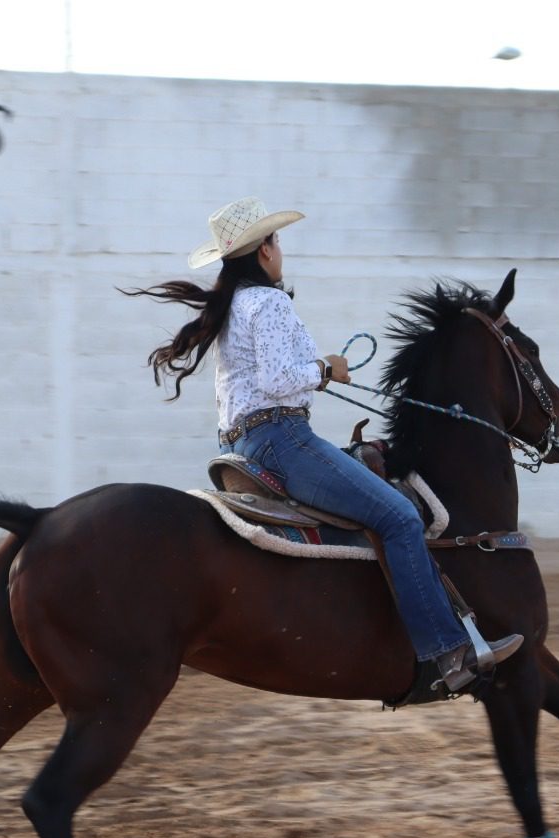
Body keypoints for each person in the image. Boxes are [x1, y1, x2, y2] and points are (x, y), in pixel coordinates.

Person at [127, 196, 521, 696]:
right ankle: (447, 651)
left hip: (247, 442)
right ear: (265, 250)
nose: (280, 249)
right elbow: (276, 380)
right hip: (283, 439)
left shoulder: (233, 305)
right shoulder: (268, 302)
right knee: (399, 516)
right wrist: (323, 370)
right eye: (276, 240)